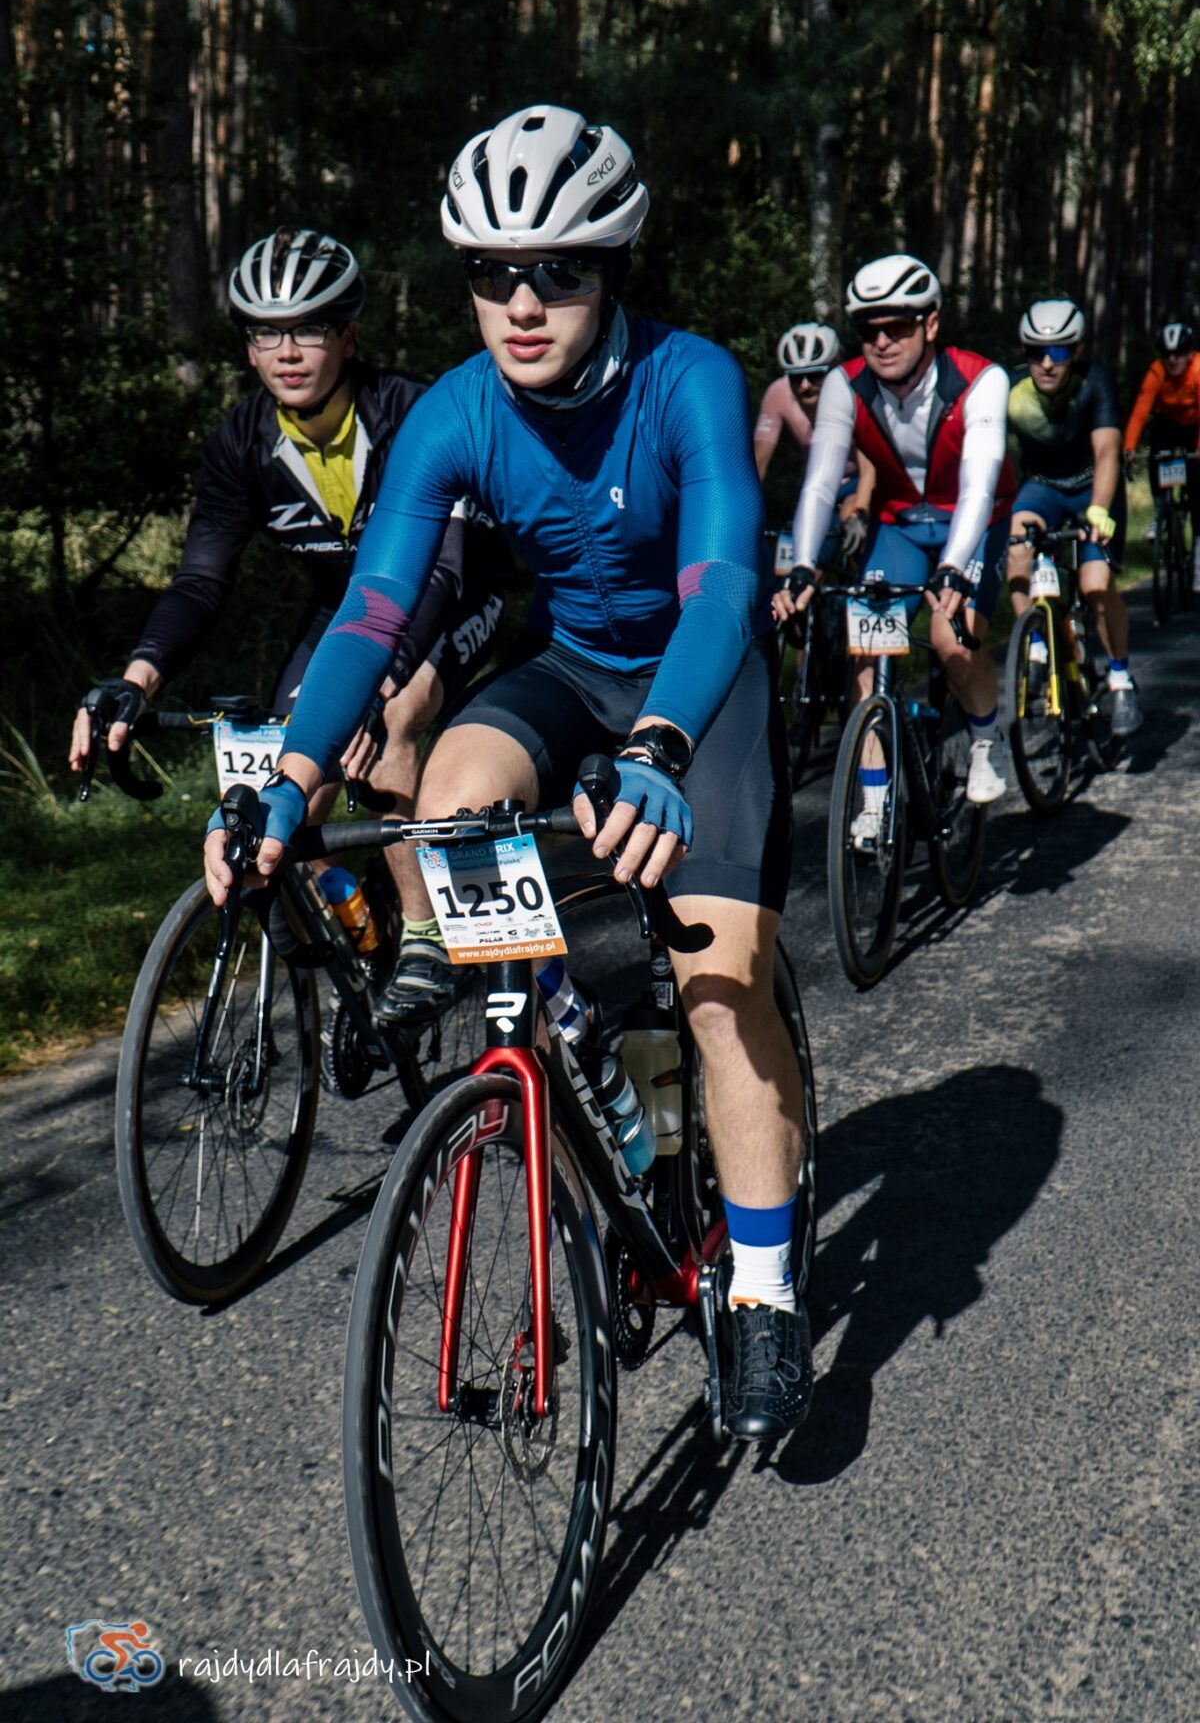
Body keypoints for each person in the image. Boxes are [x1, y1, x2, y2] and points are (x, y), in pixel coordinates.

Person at [203, 105, 813, 1443]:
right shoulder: (457, 411)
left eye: (559, 271)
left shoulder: (692, 379)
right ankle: (576, 1078)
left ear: (613, 270)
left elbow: (723, 583)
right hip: (576, 669)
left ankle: (766, 1292)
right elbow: (373, 610)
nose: (523, 303)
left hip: (700, 684)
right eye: (492, 273)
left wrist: (661, 746)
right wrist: (289, 788)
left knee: (718, 991)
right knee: (450, 797)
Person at [69, 227, 507, 1019]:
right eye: (266, 333)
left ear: (349, 337)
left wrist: (383, 687)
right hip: (348, 612)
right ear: (247, 349)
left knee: (390, 726)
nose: (288, 351)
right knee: (284, 775)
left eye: (309, 328)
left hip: (456, 595)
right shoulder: (242, 442)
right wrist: (137, 679)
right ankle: (360, 939)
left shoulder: (410, 413)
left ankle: (425, 941)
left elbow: (443, 571)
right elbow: (201, 582)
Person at [776, 254, 1014, 838]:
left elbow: (980, 485)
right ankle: (874, 797)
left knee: (951, 639)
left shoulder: (981, 380)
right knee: (868, 649)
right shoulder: (845, 384)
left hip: (973, 521)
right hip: (901, 525)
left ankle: (986, 741)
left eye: (897, 326)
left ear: (930, 324)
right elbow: (819, 481)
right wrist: (803, 566)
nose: (881, 341)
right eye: (868, 329)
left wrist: (953, 567)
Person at [1006, 298, 1140, 735]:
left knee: (1095, 585)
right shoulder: (1012, 389)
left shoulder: (1094, 380)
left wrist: (1098, 510)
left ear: (1077, 351)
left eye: (1059, 351)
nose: (1047, 363)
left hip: (1090, 486)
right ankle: (1036, 644)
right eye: (1036, 352)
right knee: (1015, 547)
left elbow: (1107, 452)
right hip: (1043, 485)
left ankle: (1120, 676)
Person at [755, 322, 872, 567]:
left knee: (850, 518)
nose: (805, 385)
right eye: (796, 378)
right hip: (819, 481)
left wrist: (859, 512)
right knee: (800, 559)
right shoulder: (778, 393)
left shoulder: (854, 391)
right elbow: (758, 463)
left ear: (835, 368)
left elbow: (869, 464)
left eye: (816, 375)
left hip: (859, 479)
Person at [1123, 321, 1200, 549]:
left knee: (1196, 484)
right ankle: (1161, 513)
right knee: (1157, 456)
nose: (1172, 360)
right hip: (1167, 422)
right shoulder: (1157, 371)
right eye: (1167, 354)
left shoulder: (1198, 369)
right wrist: (1129, 446)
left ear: (1190, 353)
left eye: (1179, 353)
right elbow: (1141, 410)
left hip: (1194, 424)